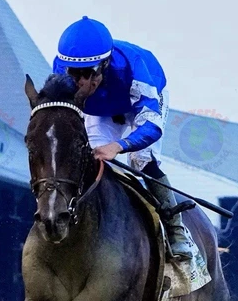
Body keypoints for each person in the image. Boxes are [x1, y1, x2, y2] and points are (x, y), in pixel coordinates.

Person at [51, 16, 198, 260]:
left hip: (140, 101)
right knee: (93, 159)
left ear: (103, 66)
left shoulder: (136, 69)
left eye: (85, 74)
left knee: (141, 160)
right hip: (101, 108)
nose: (78, 82)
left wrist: (119, 145)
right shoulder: (61, 70)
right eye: (72, 74)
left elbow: (152, 127)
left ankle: (175, 230)